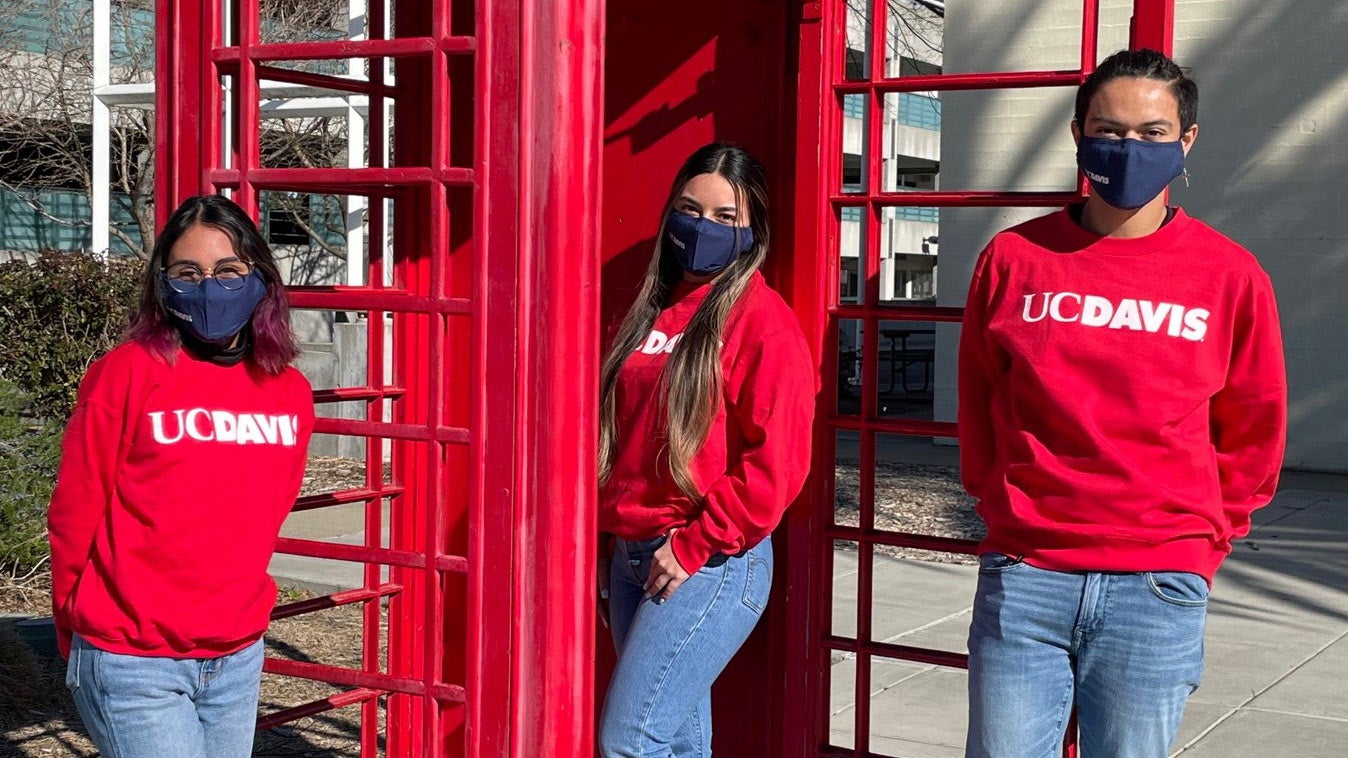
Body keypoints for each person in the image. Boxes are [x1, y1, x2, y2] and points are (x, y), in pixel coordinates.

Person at [958, 48, 1288, 757]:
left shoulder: (1231, 276)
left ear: (1186, 140)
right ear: (1078, 134)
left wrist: (1198, 546)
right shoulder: (1014, 260)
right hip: (1028, 577)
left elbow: (1254, 431)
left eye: (1152, 133)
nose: (1127, 147)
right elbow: (981, 401)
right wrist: (1004, 511)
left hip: (1157, 585)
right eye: (1108, 130)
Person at [48, 194, 315, 758]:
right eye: (187, 273)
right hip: (132, 655)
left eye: (227, 272)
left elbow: (267, 509)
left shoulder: (288, 392)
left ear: (260, 278)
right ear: (163, 282)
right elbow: (76, 508)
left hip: (236, 654)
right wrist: (74, 625)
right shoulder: (127, 374)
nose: (207, 287)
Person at [596, 142, 815, 757]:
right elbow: (619, 441)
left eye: (726, 217)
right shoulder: (649, 314)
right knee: (679, 745)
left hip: (709, 563)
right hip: (634, 557)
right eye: (691, 210)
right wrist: (605, 544)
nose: (702, 227)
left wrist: (692, 547)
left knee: (630, 742)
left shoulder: (763, 323)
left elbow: (778, 466)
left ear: (753, 232)